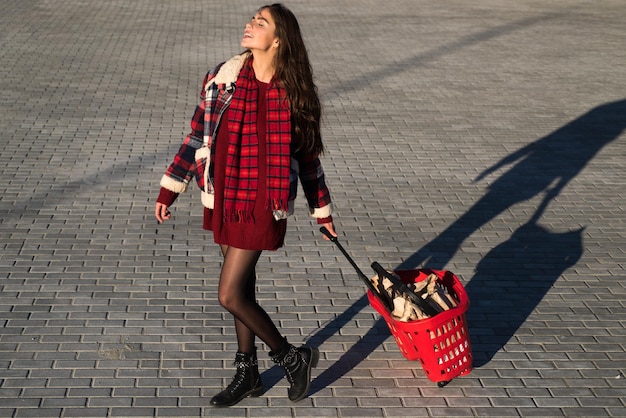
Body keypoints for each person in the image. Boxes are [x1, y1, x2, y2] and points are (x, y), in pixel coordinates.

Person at [154, 3, 337, 407]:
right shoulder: (222, 79)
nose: (250, 24)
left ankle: (292, 357)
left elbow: (308, 159)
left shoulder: (293, 93)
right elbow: (196, 138)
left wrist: (321, 211)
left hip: (262, 201)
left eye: (262, 22)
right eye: (252, 18)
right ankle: (248, 371)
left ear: (278, 39)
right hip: (223, 195)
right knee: (243, 285)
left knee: (229, 293)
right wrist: (171, 188)